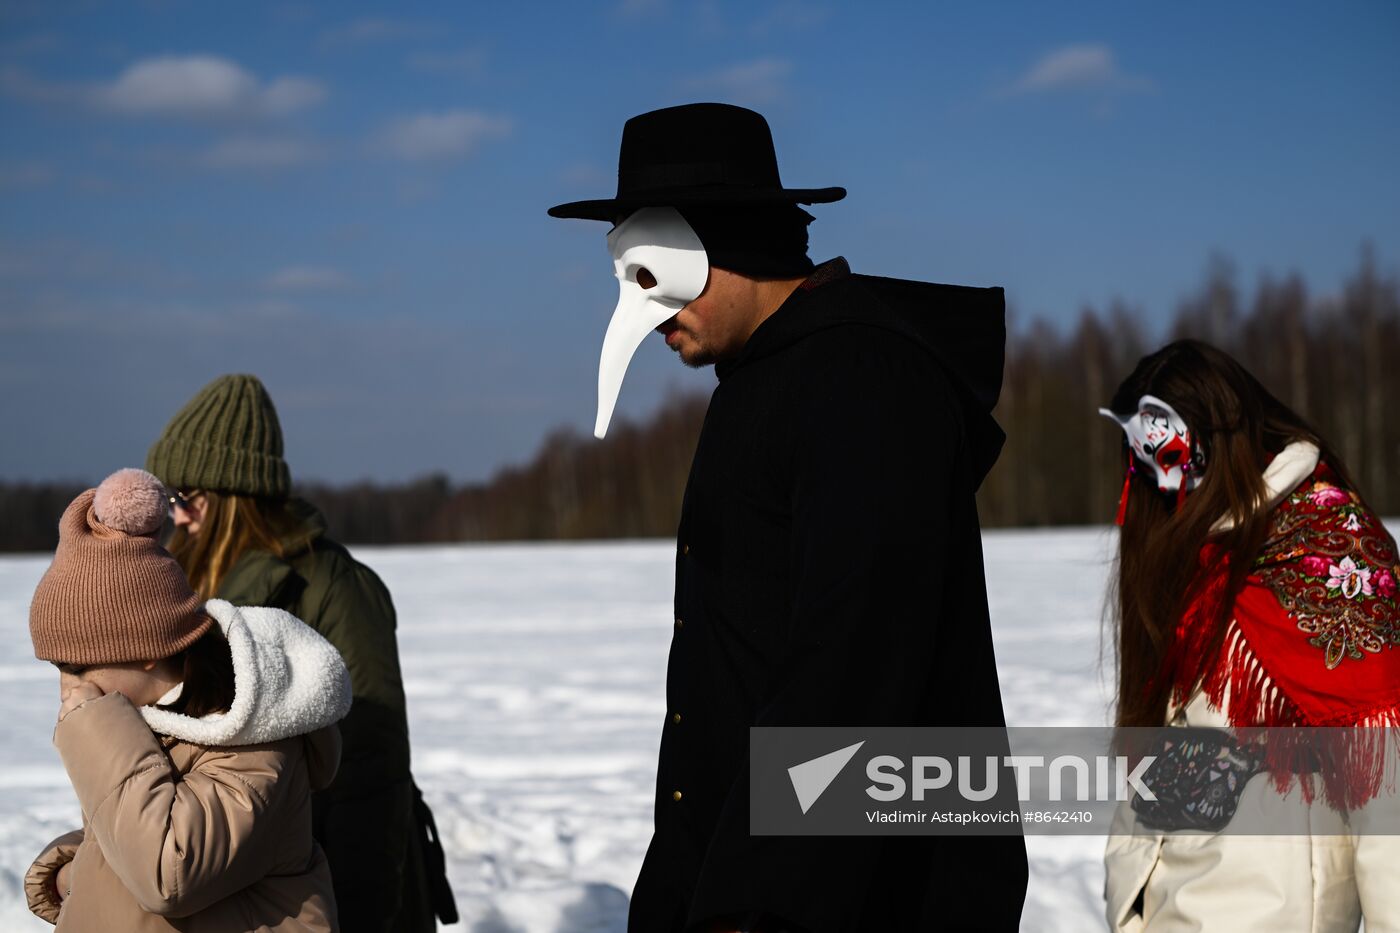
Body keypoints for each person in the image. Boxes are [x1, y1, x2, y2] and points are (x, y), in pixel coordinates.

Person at [549, 103, 1027, 932]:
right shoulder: (772, 380)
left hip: (861, 897)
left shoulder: (862, 384)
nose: (645, 313)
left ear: (725, 241)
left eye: (649, 271)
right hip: (753, 870)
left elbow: (851, 673)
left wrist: (751, 905)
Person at [1099, 340, 1400, 931]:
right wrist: (1130, 899)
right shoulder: (1195, 551)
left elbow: (1386, 786)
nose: (1160, 487)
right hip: (1167, 903)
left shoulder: (1330, 554)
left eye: (1171, 456)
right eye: (1141, 461)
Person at [145, 374, 455, 933]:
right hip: (238, 884)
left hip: (329, 891)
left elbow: (370, 769)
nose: (178, 517)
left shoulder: (333, 588)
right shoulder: (191, 589)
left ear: (233, 497)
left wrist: (361, 915)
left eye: (186, 499)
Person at [24, 467, 351, 931]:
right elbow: (134, 824)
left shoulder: (253, 741)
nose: (68, 687)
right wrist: (76, 873)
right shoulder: (146, 719)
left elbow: (169, 874)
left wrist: (98, 730)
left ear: (148, 655)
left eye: (77, 667)